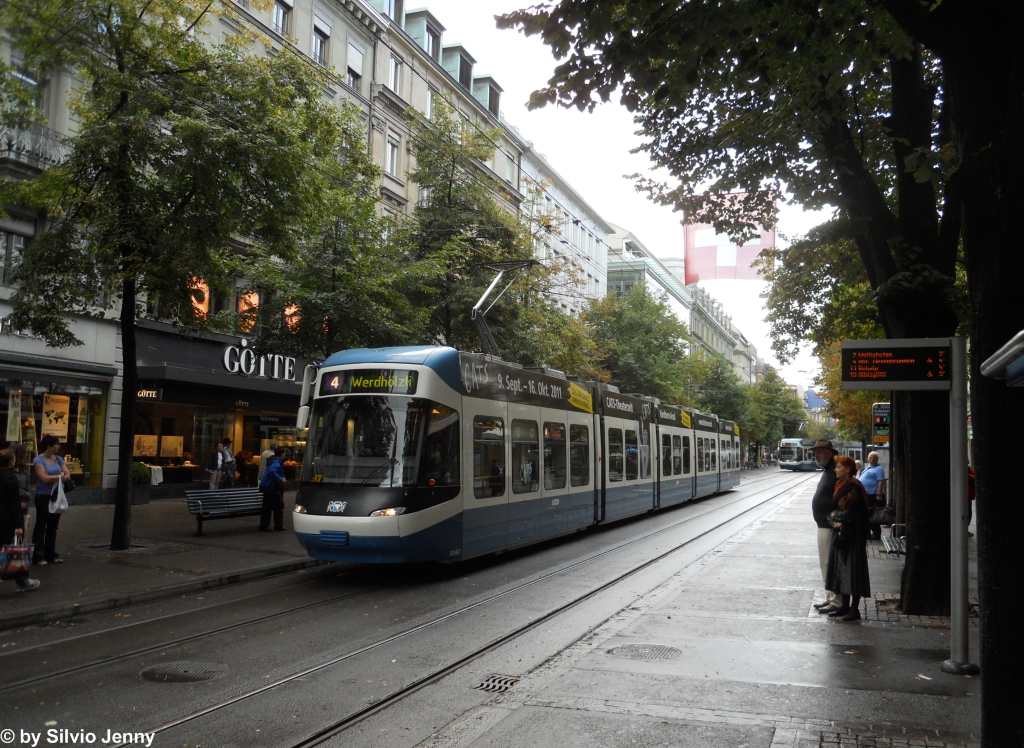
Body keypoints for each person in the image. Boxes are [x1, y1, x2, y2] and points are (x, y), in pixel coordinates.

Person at [825, 454, 871, 621]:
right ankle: (844, 606)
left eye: (839, 467)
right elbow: (829, 513)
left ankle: (854, 609)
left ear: (848, 470)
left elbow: (851, 514)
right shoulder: (840, 485)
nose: (835, 470)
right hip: (842, 534)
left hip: (853, 536)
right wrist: (834, 521)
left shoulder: (854, 488)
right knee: (842, 571)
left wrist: (836, 517)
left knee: (853, 571)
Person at [810, 439, 843, 614]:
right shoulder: (828, 470)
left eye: (820, 452)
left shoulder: (834, 471)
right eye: (815, 452)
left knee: (829, 564)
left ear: (829, 453)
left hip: (829, 525)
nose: (816, 455)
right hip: (824, 524)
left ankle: (836, 601)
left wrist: (833, 514)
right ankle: (831, 597)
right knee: (826, 564)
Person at [1, 449, 39, 591]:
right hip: (7, 518)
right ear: (11, 462)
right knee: (15, 549)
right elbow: (13, 503)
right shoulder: (11, 478)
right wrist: (18, 525)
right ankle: (21, 580)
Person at [32, 434, 71, 565]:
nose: (58, 447)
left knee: (53, 526)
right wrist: (59, 476)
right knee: (41, 524)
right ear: (49, 446)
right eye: (56, 444)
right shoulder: (39, 460)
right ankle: (38, 555)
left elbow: (67, 475)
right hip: (43, 495)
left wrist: (55, 476)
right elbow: (43, 478)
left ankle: (51, 554)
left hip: (56, 494)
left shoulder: (59, 459)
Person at [859, 451, 886, 540]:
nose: (872, 459)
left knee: (873, 514)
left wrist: (879, 495)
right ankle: (868, 533)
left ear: (877, 459)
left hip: (872, 495)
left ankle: (876, 534)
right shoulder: (867, 467)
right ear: (868, 458)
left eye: (874, 457)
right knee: (866, 514)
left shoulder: (879, 469)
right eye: (870, 457)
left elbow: (881, 482)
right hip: (865, 494)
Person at [259, 446, 287, 532]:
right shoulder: (276, 462)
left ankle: (277, 525)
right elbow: (272, 471)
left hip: (271, 487)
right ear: (282, 454)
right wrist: (281, 479)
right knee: (269, 507)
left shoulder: (274, 460)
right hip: (270, 487)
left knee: (278, 506)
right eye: (284, 453)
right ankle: (266, 526)